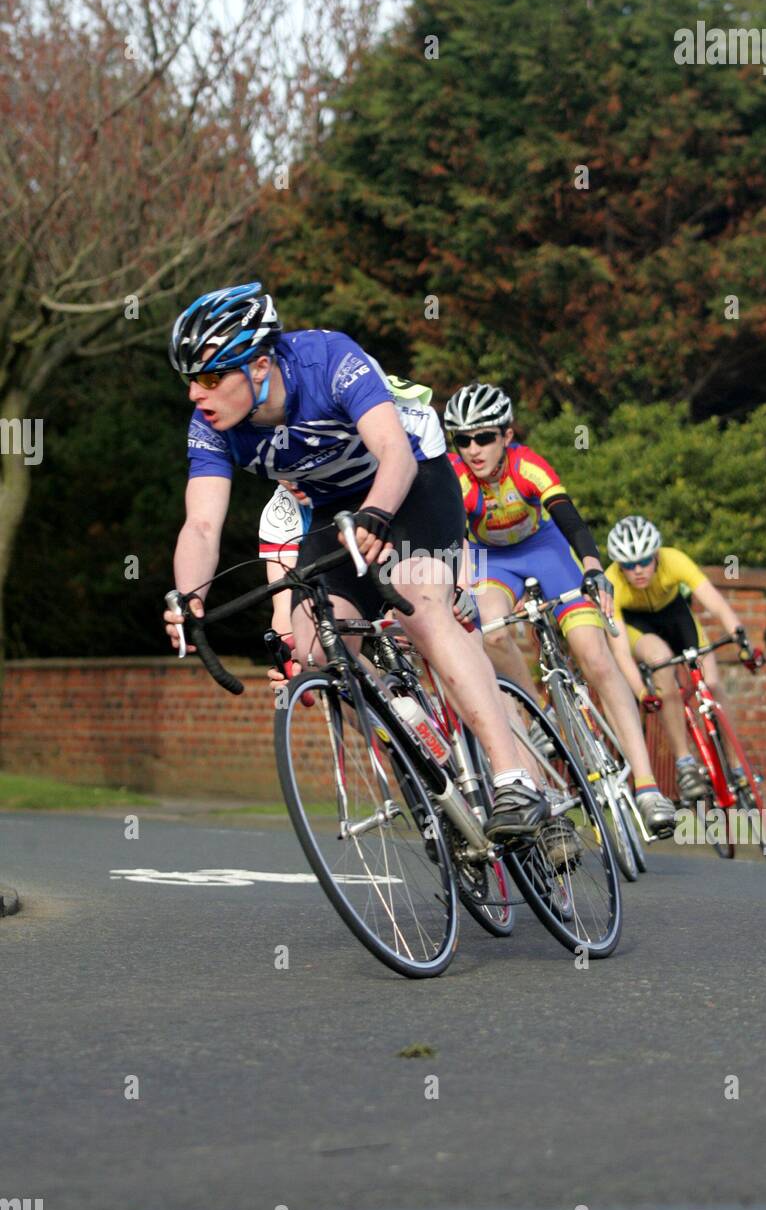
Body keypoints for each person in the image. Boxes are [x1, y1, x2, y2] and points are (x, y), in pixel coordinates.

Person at [162, 283, 551, 843]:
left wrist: (377, 515)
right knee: (315, 647)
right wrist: (188, 594)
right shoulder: (210, 427)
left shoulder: (327, 360)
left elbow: (394, 452)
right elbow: (201, 524)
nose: (197, 395)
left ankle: (516, 779)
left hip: (413, 477)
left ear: (261, 364)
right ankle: (414, 728)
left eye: (209, 377)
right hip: (333, 506)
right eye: (190, 381)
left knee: (419, 606)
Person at [444, 382, 676, 838]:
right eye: (463, 439)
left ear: (506, 435)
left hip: (546, 550)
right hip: (494, 562)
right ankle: (534, 716)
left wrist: (592, 568)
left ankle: (648, 788)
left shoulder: (527, 465)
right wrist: (457, 584)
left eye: (484, 437)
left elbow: (568, 516)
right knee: (491, 631)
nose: (473, 449)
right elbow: (454, 539)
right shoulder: (457, 478)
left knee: (592, 653)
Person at [604, 515, 763, 801]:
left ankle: (738, 766)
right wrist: (642, 691)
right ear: (619, 566)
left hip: (676, 615)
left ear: (656, 556)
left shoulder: (674, 559)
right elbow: (619, 652)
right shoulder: (610, 581)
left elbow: (715, 603)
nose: (638, 570)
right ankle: (684, 762)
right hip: (638, 625)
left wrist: (743, 642)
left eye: (644, 561)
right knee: (660, 659)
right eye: (628, 565)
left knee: (712, 684)